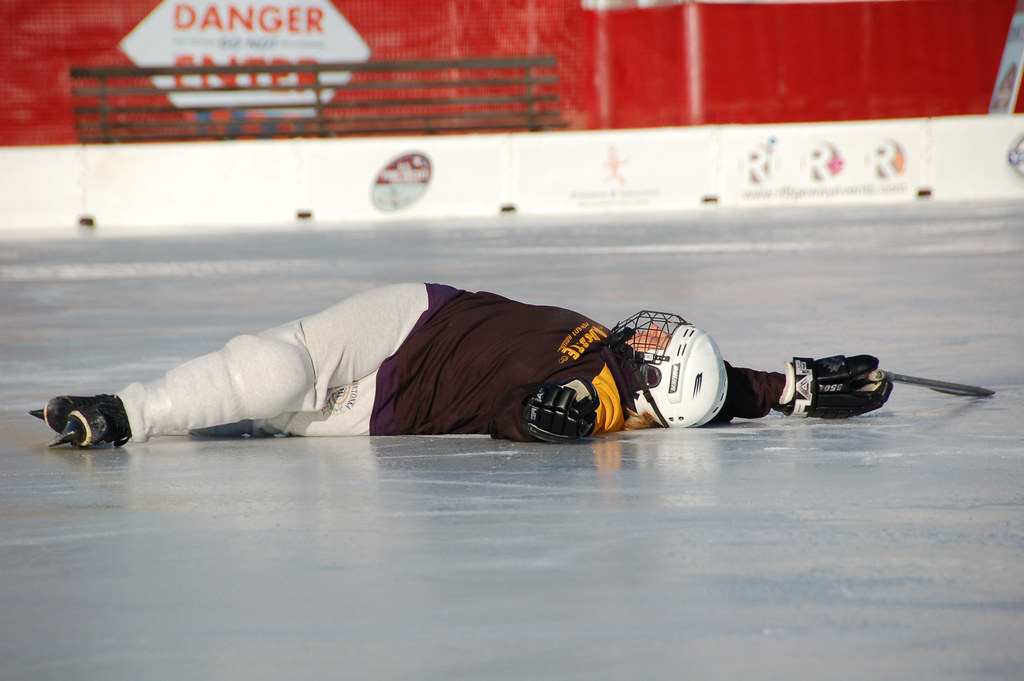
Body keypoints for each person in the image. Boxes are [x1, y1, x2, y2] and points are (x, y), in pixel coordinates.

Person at [32, 283, 893, 448]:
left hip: (383, 409)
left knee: (267, 402)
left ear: (653, 385)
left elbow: (534, 412)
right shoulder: (637, 379)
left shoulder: (604, 391)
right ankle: (123, 413)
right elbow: (716, 388)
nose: (653, 332)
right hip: (412, 321)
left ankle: (150, 412)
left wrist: (543, 420)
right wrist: (792, 386)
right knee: (276, 369)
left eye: (661, 349)